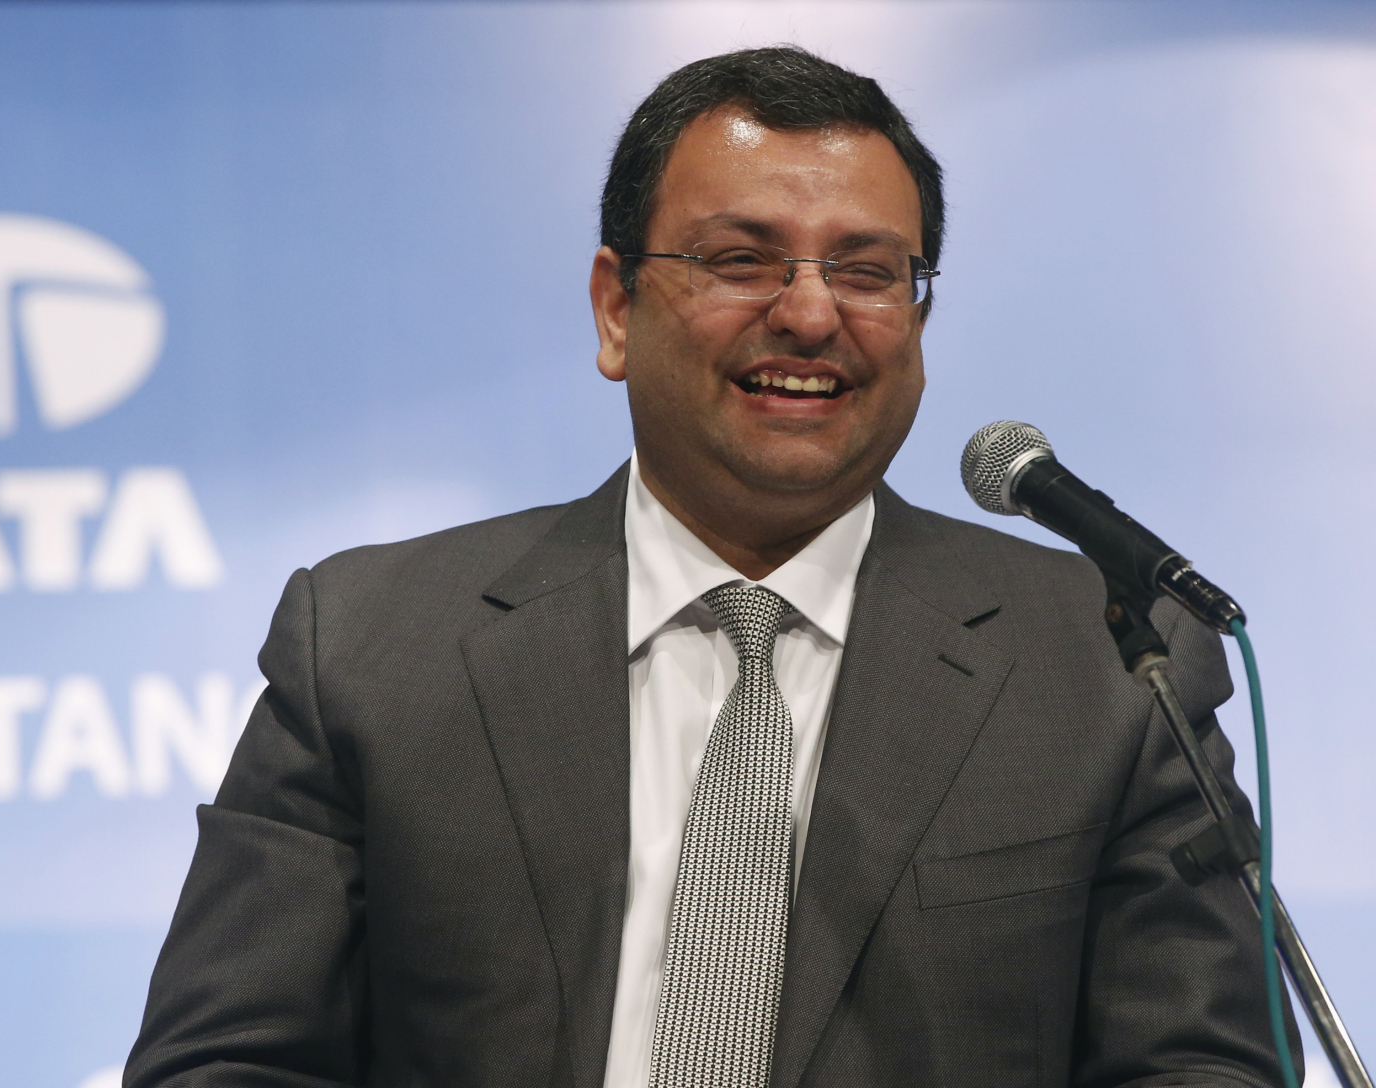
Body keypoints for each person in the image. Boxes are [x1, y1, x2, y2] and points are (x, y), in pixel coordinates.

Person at [125, 46, 1298, 1088]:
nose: (807, 314)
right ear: (616, 309)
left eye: (867, 269)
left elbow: (1199, 1063)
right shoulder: (375, 643)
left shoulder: (1108, 662)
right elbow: (226, 1059)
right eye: (741, 259)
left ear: (920, 319)